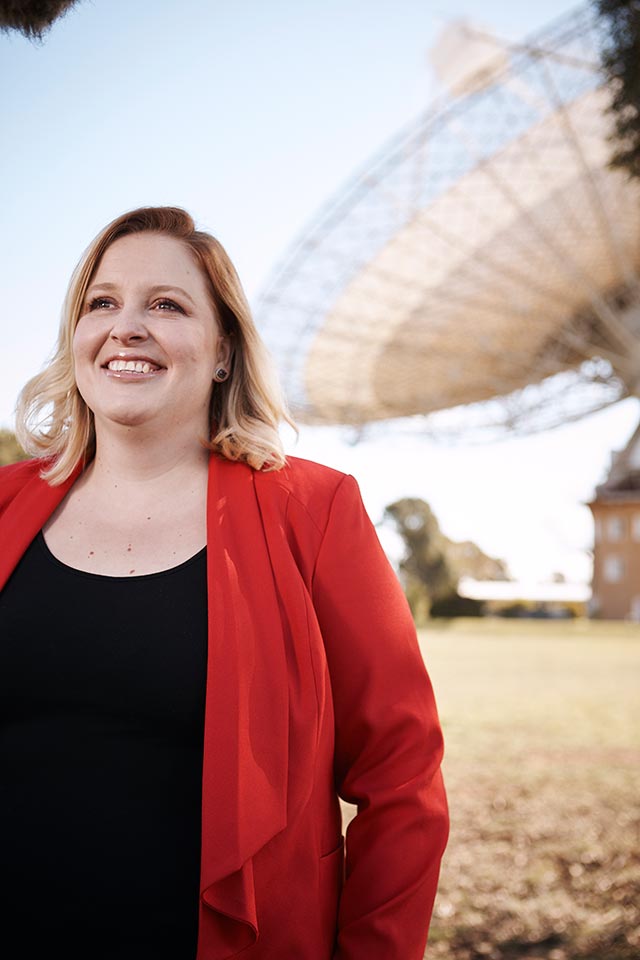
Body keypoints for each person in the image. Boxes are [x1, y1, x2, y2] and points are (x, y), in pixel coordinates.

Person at [0, 206, 449, 959]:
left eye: (167, 305)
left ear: (221, 353)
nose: (126, 326)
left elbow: (402, 778)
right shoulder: (4, 507)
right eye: (101, 302)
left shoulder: (313, 510)